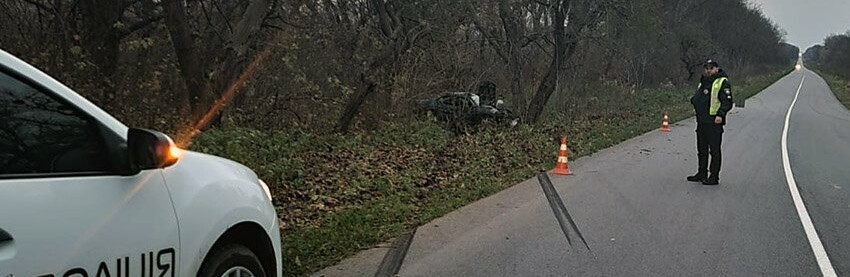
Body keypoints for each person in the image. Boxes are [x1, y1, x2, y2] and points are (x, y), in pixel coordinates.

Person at [687, 59, 733, 185]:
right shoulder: (704, 81)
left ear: (717, 68)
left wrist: (720, 114)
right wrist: (694, 101)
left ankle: (714, 177)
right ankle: (701, 173)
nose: (709, 70)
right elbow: (700, 96)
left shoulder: (722, 82)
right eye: (707, 68)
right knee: (701, 149)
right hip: (702, 121)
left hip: (714, 121)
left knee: (714, 150)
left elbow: (727, 101)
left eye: (711, 68)